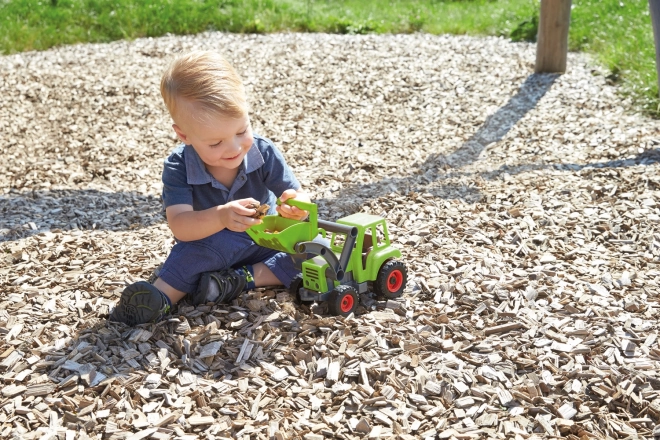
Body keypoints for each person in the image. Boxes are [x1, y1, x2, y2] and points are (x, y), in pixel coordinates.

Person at [109, 50, 310, 326]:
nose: (234, 147)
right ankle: (159, 300)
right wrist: (221, 216)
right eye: (215, 143)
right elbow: (180, 226)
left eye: (241, 131)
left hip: (265, 241)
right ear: (184, 135)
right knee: (189, 257)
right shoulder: (179, 167)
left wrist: (296, 206)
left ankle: (240, 279)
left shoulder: (263, 153)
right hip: (211, 244)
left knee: (316, 250)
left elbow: (296, 194)